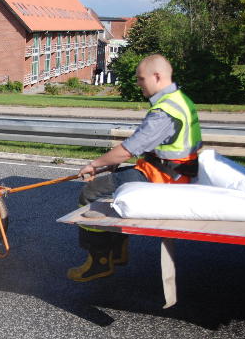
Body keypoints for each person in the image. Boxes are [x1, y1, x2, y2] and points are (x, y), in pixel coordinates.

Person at [68, 54, 202, 281]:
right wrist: (113, 163)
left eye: (141, 79)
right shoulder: (179, 100)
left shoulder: (165, 111)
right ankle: (118, 252)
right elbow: (144, 145)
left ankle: (99, 262)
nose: (138, 83)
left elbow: (130, 148)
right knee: (114, 185)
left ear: (157, 76)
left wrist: (94, 165)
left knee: (89, 193)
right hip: (169, 172)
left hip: (165, 178)